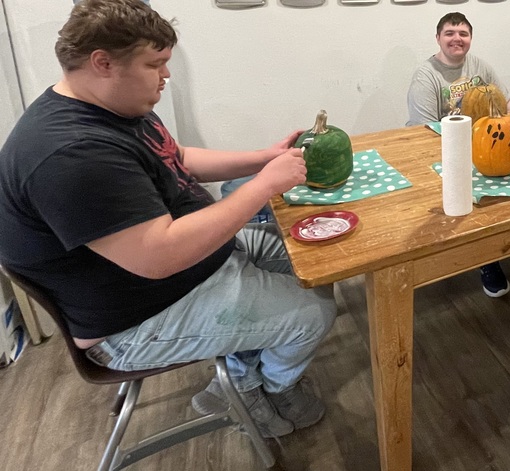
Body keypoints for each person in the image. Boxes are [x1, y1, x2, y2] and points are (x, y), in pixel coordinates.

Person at [0, 0, 336, 438]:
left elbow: (177, 159)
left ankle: (243, 372)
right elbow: (158, 257)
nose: (167, 75)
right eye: (155, 64)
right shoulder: (69, 154)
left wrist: (263, 158)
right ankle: (257, 391)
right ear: (102, 63)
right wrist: (264, 184)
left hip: (194, 266)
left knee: (317, 260)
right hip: (137, 316)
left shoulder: (116, 106)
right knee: (314, 314)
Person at [406, 12, 510, 298]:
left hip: (488, 141)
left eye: (463, 33)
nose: (457, 39)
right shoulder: (426, 75)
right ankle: (487, 258)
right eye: (449, 33)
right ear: (438, 38)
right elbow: (427, 128)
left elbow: (503, 104)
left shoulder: (479, 65)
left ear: (470, 38)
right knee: (483, 202)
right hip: (446, 148)